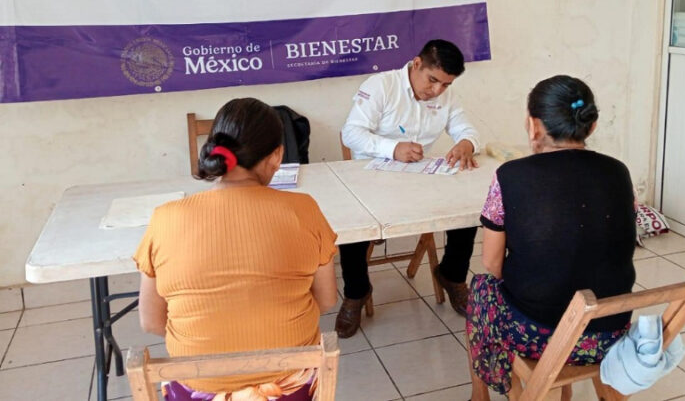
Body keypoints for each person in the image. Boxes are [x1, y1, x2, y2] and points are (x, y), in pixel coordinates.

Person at [134, 98, 338, 401]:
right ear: (277, 155)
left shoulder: (165, 218)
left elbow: (151, 321)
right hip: (288, 387)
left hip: (197, 387)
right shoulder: (303, 210)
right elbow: (327, 299)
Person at [467, 75, 636, 400]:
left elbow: (492, 263)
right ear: (592, 125)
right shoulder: (619, 171)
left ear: (533, 126)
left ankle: (480, 396)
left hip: (540, 335)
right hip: (610, 332)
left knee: (482, 289)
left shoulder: (510, 175)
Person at [336, 39, 481, 338]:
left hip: (418, 179)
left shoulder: (447, 96)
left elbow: (466, 129)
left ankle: (452, 275)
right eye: (433, 80)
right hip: (372, 177)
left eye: (446, 84)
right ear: (417, 64)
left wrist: (467, 143)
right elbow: (351, 133)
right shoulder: (381, 85)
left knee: (467, 209)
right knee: (351, 222)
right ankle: (356, 292)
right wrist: (392, 148)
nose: (437, 90)